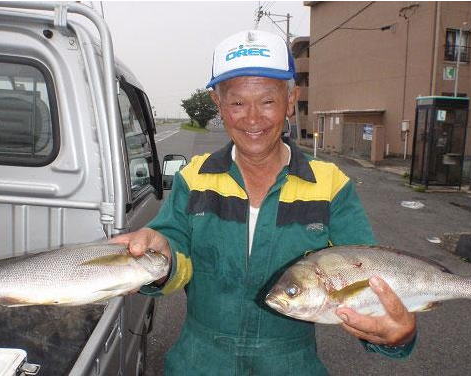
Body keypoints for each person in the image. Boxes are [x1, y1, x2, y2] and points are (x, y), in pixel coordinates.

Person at [112, 30, 416, 375]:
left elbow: (362, 275)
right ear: (218, 104)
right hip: (197, 364)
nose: (252, 118)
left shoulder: (331, 186)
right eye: (237, 102)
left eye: (268, 101)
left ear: (290, 100)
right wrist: (160, 255)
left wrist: (394, 335)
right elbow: (175, 257)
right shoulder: (193, 179)